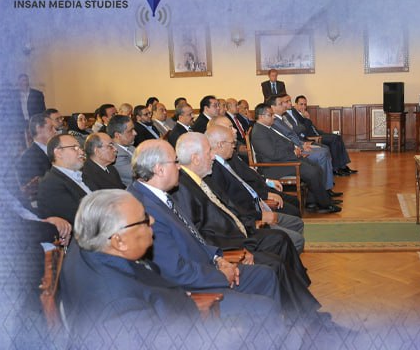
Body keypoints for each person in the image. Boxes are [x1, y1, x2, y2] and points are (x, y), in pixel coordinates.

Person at [127, 139, 285, 324]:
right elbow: (174, 270)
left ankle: (273, 331)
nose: (179, 167)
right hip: (190, 291)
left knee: (266, 275)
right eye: (175, 162)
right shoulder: (143, 208)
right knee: (266, 308)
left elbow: (194, 236)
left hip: (206, 267)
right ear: (159, 169)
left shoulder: (160, 195)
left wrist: (218, 259)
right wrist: (220, 275)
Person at [171, 133, 321, 317]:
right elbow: (200, 234)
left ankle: (301, 303)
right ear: (195, 158)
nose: (213, 157)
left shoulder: (202, 179)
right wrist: (234, 252)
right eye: (209, 152)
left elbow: (229, 208)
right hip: (230, 245)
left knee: (279, 241)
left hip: (239, 232)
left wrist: (249, 224)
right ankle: (303, 314)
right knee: (275, 263)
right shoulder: (183, 189)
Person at [59, 190, 214, 347]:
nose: (152, 220)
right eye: (143, 219)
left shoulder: (89, 244)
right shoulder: (121, 309)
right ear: (119, 242)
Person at [205, 125, 305, 253]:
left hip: (257, 205)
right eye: (232, 143)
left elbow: (247, 182)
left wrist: (262, 198)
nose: (234, 146)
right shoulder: (214, 170)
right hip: (250, 219)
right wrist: (260, 215)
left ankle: (288, 259)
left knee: (297, 223)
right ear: (220, 145)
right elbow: (232, 207)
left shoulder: (226, 161)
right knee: (296, 240)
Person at [250, 104, 340, 214]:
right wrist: (293, 153)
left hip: (283, 160)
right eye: (270, 115)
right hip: (273, 167)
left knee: (316, 167)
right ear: (261, 116)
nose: (273, 117)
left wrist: (294, 149)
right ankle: (324, 204)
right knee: (312, 172)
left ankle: (313, 202)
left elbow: (282, 144)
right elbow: (273, 154)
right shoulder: (259, 132)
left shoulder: (266, 128)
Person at [267, 95, 339, 197]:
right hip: (293, 152)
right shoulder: (274, 122)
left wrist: (302, 144)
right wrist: (300, 146)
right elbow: (287, 139)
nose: (285, 105)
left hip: (299, 145)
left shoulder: (282, 118)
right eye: (281, 103)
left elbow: (294, 133)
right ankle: (324, 191)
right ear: (272, 107)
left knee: (325, 150)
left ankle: (326, 189)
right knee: (322, 154)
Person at [292, 95, 357, 175]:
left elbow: (310, 127)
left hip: (317, 133)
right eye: (301, 104)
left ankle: (343, 166)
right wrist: (307, 118)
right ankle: (336, 168)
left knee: (337, 137)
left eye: (305, 104)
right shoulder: (295, 114)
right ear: (295, 104)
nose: (303, 107)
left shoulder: (302, 113)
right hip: (311, 137)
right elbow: (304, 130)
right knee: (334, 139)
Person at [36, 134, 91, 224]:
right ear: (58, 153)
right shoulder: (50, 184)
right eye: (75, 148)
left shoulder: (83, 175)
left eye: (80, 148)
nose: (81, 152)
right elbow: (78, 218)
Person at [16, 114, 56, 189]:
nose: (55, 131)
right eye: (51, 128)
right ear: (39, 129)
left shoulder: (57, 147)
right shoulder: (27, 159)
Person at [107, 115, 137, 186]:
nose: (135, 133)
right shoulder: (116, 154)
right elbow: (138, 174)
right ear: (117, 135)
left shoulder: (131, 147)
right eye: (130, 131)